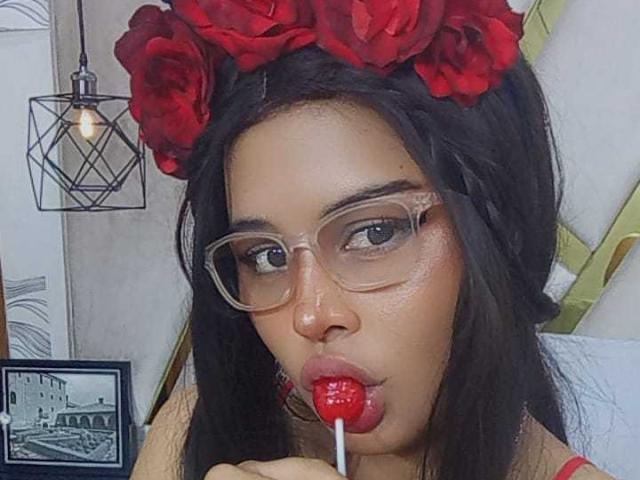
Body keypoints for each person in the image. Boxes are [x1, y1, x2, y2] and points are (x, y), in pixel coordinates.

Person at [115, 1, 615, 479]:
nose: (309, 316)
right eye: (266, 257)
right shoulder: (191, 436)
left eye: (374, 233)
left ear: (496, 228)